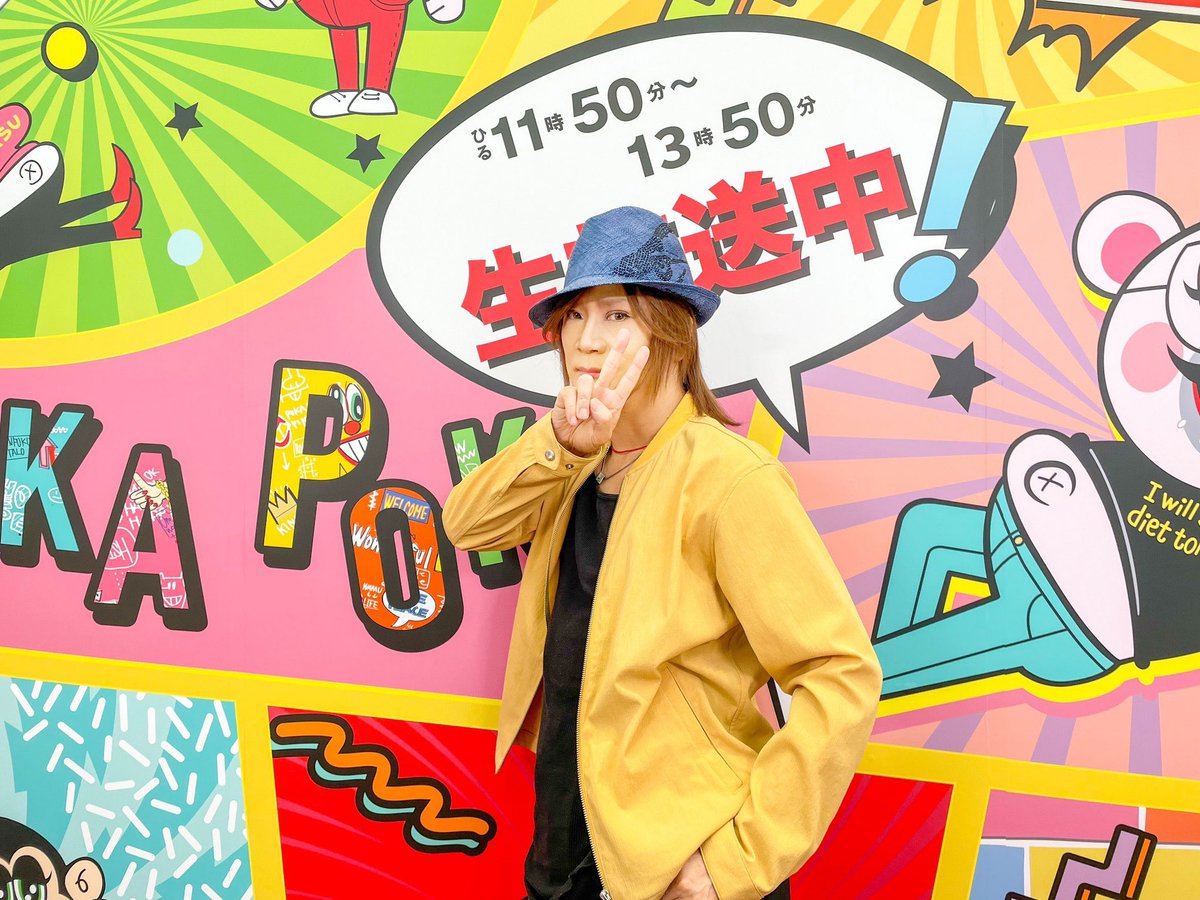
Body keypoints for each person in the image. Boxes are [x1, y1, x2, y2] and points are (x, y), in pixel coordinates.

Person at [443, 206, 881, 900]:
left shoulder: (728, 475)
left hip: (680, 858)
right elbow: (468, 524)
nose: (587, 340)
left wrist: (738, 862)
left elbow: (839, 672)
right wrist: (561, 444)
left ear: (672, 332)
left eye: (616, 314)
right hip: (566, 841)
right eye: (574, 317)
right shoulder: (576, 461)